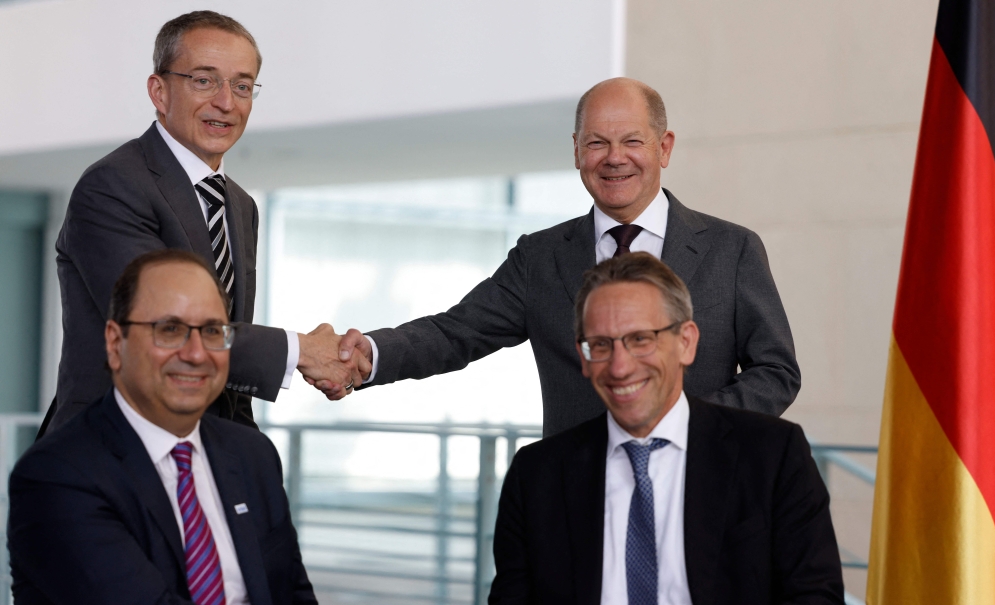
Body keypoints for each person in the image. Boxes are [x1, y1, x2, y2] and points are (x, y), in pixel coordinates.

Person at [328, 77, 799, 437]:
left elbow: (776, 371)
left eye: (632, 141)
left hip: (703, 483)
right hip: (578, 496)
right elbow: (455, 332)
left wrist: (690, 427)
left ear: (664, 147)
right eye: (597, 142)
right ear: (576, 151)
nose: (614, 158)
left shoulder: (731, 249)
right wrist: (367, 355)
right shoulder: (540, 257)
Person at [47, 10, 359, 435]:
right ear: (159, 92)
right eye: (204, 80)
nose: (226, 102)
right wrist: (300, 350)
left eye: (242, 85)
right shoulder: (112, 186)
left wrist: (248, 455)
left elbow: (227, 338)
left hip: (207, 451)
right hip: (112, 452)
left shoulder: (240, 204)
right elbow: (164, 328)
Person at [488, 252, 843, 604]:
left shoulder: (773, 456)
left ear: (686, 343)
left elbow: (814, 597)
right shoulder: (536, 475)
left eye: (640, 339)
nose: (620, 367)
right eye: (600, 345)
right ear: (583, 358)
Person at [8, 249, 317, 605]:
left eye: (213, 331)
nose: (197, 354)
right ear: (114, 342)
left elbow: (294, 595)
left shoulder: (253, 454)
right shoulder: (57, 475)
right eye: (170, 330)